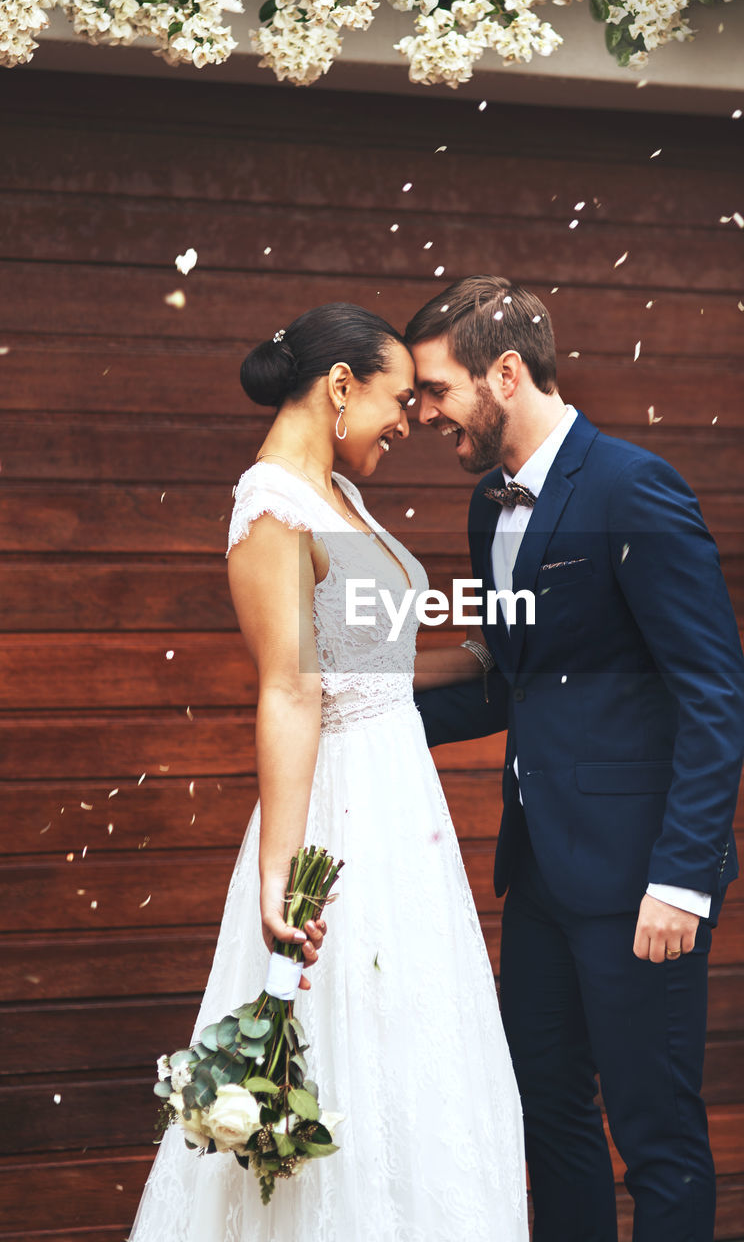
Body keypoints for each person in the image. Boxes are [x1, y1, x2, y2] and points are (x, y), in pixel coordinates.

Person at [128, 302, 528, 1242]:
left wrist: (521, 655)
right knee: (337, 1052)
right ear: (339, 386)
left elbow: (377, 661)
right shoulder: (271, 505)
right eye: (397, 399)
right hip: (341, 817)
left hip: (402, 814)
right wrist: (281, 870)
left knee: (412, 1056)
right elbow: (290, 691)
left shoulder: (339, 495)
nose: (409, 421)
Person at [408, 276, 744, 1242]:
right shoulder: (490, 509)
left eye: (438, 390)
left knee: (656, 1135)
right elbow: (520, 682)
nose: (425, 412)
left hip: (643, 880)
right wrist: (370, 711)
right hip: (541, 880)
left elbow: (714, 693)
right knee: (548, 1114)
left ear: (505, 373)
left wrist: (682, 879)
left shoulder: (633, 487)